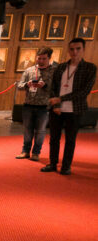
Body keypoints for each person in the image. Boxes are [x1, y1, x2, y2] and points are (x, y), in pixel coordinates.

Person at [41, 38, 96, 175]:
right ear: (68, 50)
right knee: (54, 138)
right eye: (72, 49)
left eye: (78, 49)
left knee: (70, 140)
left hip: (75, 109)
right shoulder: (61, 67)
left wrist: (61, 99)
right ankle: (53, 163)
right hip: (57, 109)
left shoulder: (90, 68)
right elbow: (53, 87)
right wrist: (57, 104)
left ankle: (66, 166)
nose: (74, 52)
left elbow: (84, 91)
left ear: (83, 50)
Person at [15, 47, 56, 161]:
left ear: (49, 58)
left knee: (40, 131)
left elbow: (56, 89)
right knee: (27, 130)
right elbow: (19, 85)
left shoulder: (54, 71)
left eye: (44, 58)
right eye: (39, 58)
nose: (41, 61)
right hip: (28, 104)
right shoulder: (29, 70)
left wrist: (45, 86)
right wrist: (27, 85)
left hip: (44, 106)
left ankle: (36, 152)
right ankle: (25, 151)